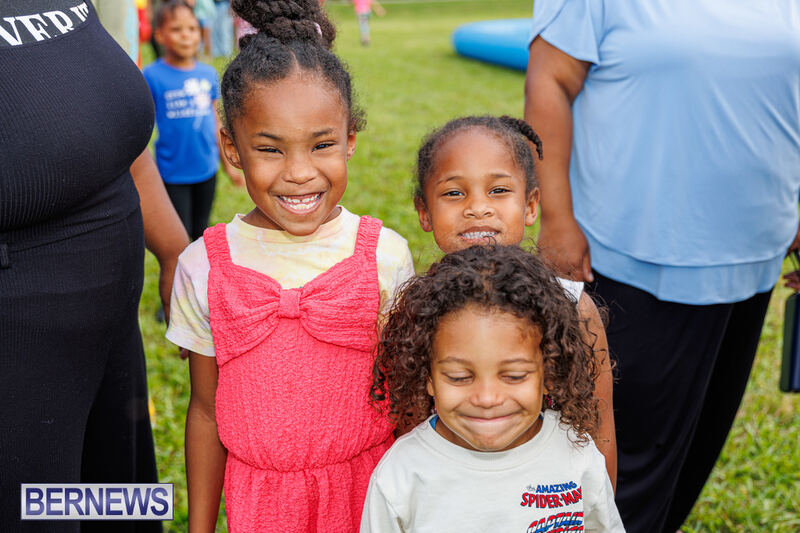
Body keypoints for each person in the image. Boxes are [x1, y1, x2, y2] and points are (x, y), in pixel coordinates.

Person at [524, 2, 800, 532]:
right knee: (624, 471)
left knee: (695, 451)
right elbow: (551, 79)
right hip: (632, 263)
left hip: (755, 258)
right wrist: (556, 220)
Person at [164, 0, 415, 530]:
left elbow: (410, 398)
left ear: (349, 141)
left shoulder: (384, 255)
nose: (299, 173)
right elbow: (206, 412)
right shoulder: (201, 267)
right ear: (232, 150)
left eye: (321, 144)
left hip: (372, 498)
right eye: (270, 150)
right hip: (261, 506)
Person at [0, 0, 189, 531]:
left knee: (118, 504)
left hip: (111, 341)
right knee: (37, 512)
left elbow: (108, 131)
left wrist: (174, 250)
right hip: (20, 362)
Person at [411, 115, 617, 488]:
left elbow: (598, 432)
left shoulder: (571, 306)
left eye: (499, 190)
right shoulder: (421, 309)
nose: (478, 207)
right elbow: (407, 426)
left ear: (530, 205)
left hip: (550, 502)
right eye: (454, 193)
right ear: (424, 211)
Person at [364, 245, 624, 532]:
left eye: (513, 376)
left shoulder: (577, 456)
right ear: (428, 376)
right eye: (460, 377)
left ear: (549, 372)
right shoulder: (402, 476)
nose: (487, 398)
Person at [144, 0, 242, 242]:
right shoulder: (151, 76)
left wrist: (228, 166)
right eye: (177, 29)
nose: (186, 36)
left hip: (206, 169)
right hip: (172, 172)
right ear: (160, 35)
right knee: (180, 236)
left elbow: (215, 119)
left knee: (201, 231)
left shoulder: (207, 74)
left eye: (192, 29)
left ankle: (198, 278)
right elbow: (142, 127)